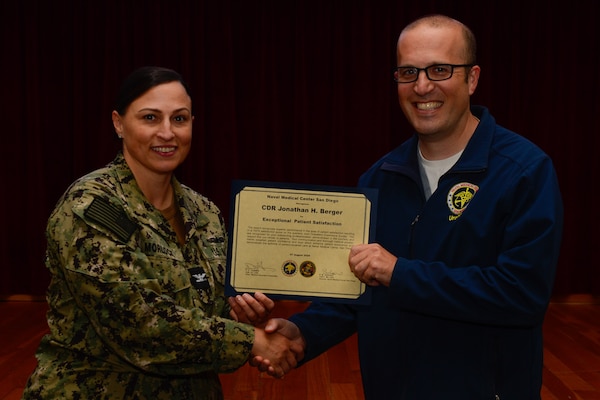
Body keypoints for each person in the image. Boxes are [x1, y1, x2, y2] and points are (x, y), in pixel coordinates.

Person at [245, 14, 564, 399]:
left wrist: (400, 273)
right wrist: (303, 334)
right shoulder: (378, 178)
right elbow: (358, 291)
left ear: (472, 78)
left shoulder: (524, 171)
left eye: (440, 70)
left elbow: (521, 296)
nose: (422, 86)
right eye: (408, 71)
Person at [22, 66, 300, 400]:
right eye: (151, 118)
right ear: (118, 123)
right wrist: (252, 341)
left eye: (179, 119)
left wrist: (241, 311)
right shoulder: (90, 207)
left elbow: (201, 310)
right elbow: (137, 325)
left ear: (192, 125)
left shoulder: (204, 213)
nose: (167, 133)